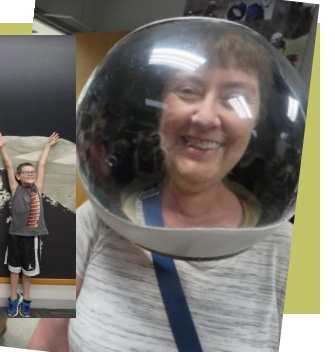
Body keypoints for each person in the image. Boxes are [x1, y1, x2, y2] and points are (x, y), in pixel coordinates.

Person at [30, 19, 307, 351]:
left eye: (235, 98)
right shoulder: (94, 221)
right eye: (188, 90)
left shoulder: (293, 256)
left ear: (257, 119)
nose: (205, 117)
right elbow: (48, 340)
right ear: (161, 108)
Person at [0, 131, 59, 317]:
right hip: (15, 235)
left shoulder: (37, 188)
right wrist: (2, 147)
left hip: (32, 237)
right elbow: (8, 165)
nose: (30, 174)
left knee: (28, 272)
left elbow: (43, 164)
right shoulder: (15, 189)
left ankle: (26, 300)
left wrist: (47, 146)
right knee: (14, 270)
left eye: (32, 172)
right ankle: (13, 299)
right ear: (18, 176)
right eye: (26, 172)